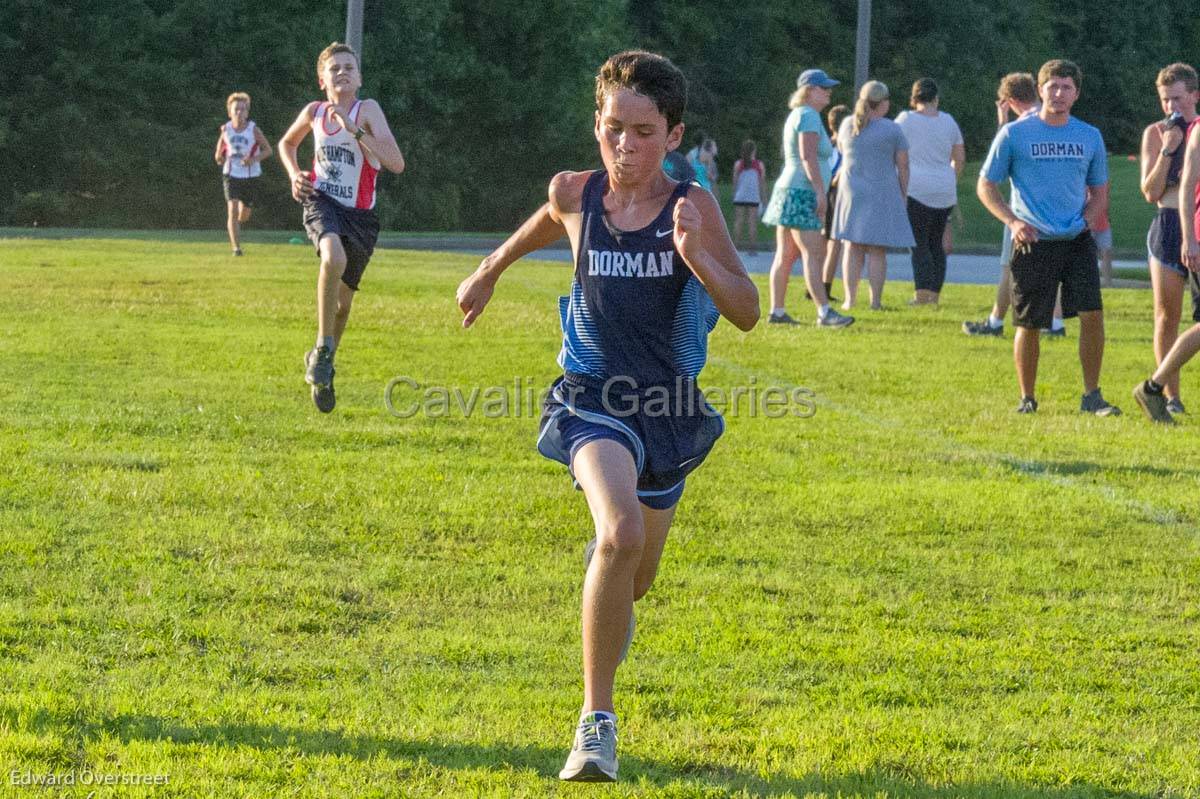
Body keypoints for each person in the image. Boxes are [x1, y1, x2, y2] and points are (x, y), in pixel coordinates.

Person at [456, 50, 758, 783]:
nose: (625, 146)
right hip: (592, 398)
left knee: (634, 576)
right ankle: (597, 725)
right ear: (597, 122)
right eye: (614, 128)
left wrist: (696, 257)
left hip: (669, 408)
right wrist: (489, 269)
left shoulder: (693, 206)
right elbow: (543, 221)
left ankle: (605, 609)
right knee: (617, 531)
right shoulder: (575, 192)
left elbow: (746, 309)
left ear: (674, 135)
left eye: (644, 132)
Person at [977, 59, 1119, 415]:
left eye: (1066, 87)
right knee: (1030, 322)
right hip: (1032, 240)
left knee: (1092, 314)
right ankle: (1027, 397)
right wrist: (1012, 222)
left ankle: (1092, 395)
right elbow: (985, 185)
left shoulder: (1089, 136)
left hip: (1075, 241)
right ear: (1039, 90)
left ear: (1076, 94)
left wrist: (1087, 220)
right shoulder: (1014, 134)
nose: (1058, 93)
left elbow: (1100, 191)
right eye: (1052, 86)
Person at [277, 42, 406, 413]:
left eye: (349, 67)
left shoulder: (368, 111)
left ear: (359, 77)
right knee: (331, 255)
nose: (342, 72)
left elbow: (396, 163)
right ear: (322, 80)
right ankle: (322, 348)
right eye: (334, 68)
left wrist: (357, 131)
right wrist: (293, 174)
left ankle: (325, 364)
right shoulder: (314, 111)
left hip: (361, 215)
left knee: (343, 306)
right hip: (321, 201)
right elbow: (287, 143)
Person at [763, 69, 853, 327]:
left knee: (785, 255)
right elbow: (808, 156)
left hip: (788, 189)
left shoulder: (798, 115)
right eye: (823, 88)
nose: (828, 92)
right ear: (809, 91)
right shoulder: (810, 116)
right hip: (802, 191)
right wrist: (819, 192)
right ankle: (825, 312)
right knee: (813, 254)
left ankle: (777, 312)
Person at [963, 73, 1046, 337]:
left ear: (1010, 101)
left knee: (1010, 267)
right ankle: (1054, 323)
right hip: (1056, 207)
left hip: (1023, 208)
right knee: (1051, 268)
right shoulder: (1050, 118)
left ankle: (996, 321)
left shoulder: (1018, 128)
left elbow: (996, 166)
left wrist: (1003, 123)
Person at [1138, 63, 1199, 415]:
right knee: (1167, 315)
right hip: (1168, 225)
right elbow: (1150, 190)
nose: (1171, 107)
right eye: (1164, 100)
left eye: (1177, 98)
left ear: (1194, 95)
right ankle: (1170, 396)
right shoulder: (1156, 132)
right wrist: (1167, 150)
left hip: (1196, 221)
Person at [831, 80, 915, 310]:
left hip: (851, 192)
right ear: (883, 103)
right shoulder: (892, 129)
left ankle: (849, 299)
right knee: (877, 250)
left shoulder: (847, 124)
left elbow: (841, 150)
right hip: (881, 190)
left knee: (852, 246)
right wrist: (903, 192)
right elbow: (903, 165)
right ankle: (875, 301)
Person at [896, 78, 965, 305]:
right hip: (944, 189)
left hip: (916, 188)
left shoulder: (906, 119)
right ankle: (934, 294)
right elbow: (959, 158)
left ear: (914, 98)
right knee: (936, 243)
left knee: (919, 243)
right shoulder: (949, 121)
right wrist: (949, 179)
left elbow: (894, 149)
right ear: (936, 98)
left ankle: (922, 293)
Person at [214, 92, 272, 256]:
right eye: (236, 110)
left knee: (244, 214)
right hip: (231, 174)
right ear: (229, 112)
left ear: (247, 112)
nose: (239, 113)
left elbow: (268, 150)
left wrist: (253, 159)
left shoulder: (254, 130)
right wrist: (219, 157)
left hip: (251, 175)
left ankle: (237, 224)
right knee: (231, 210)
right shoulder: (226, 129)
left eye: (243, 109)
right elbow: (219, 153)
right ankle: (236, 248)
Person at [820, 104, 851, 299]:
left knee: (825, 243)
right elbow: (835, 170)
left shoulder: (826, 144)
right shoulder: (841, 145)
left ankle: (817, 284)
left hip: (825, 192)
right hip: (835, 193)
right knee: (834, 242)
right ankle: (824, 287)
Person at [731, 140, 766, 253]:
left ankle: (735, 247)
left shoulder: (738, 164)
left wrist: (734, 193)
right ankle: (752, 248)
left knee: (738, 221)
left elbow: (735, 182)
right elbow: (762, 183)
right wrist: (764, 198)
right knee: (752, 222)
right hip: (753, 197)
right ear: (754, 150)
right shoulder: (759, 165)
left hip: (740, 196)